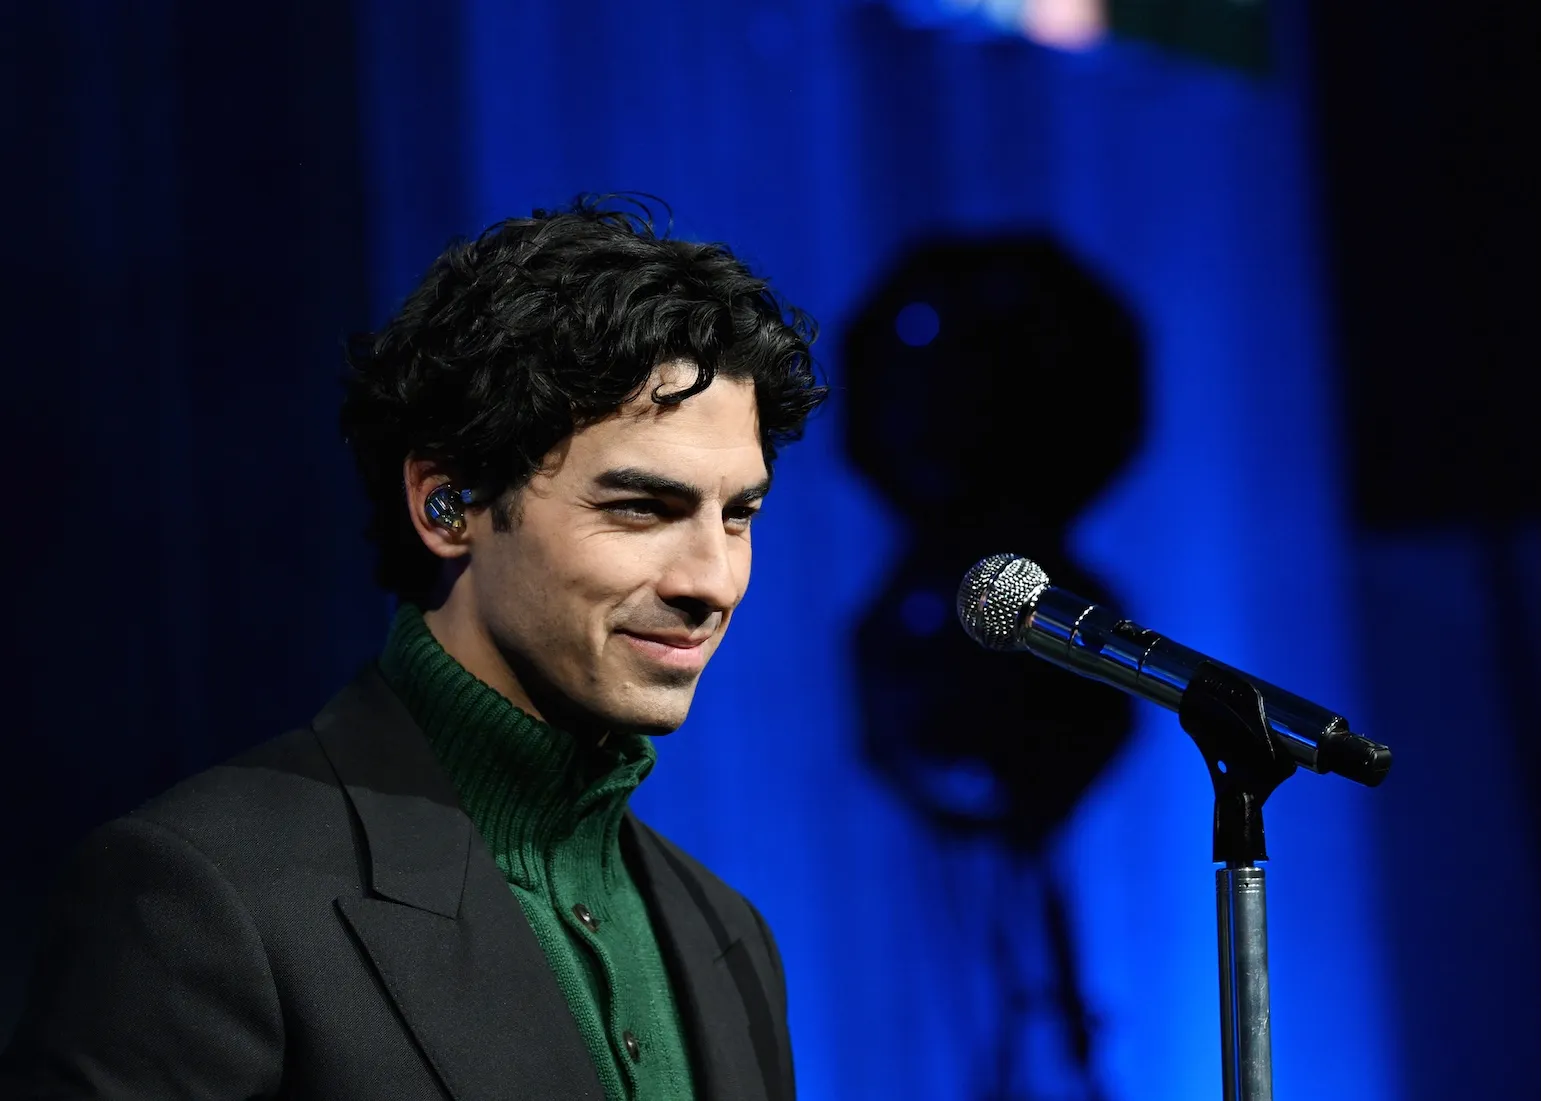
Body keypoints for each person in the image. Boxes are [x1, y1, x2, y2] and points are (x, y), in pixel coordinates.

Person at [0, 196, 826, 1100]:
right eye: (640, 507)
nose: (713, 579)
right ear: (447, 505)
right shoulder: (198, 898)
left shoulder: (730, 935)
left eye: (738, 515)